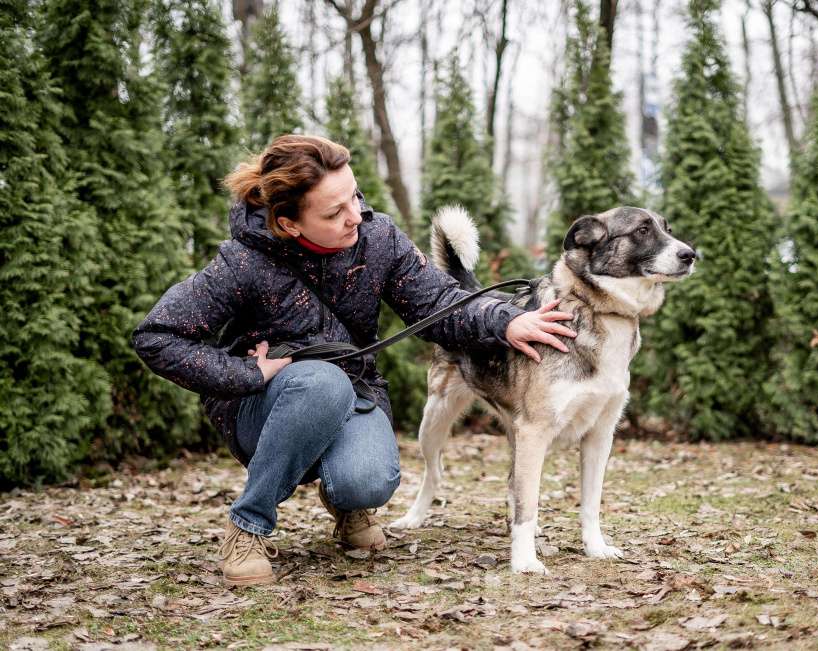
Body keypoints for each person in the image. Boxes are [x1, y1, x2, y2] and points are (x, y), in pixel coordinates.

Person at [132, 134, 576, 586]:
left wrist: (504, 321)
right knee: (320, 384)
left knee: (368, 481)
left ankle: (348, 505)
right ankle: (248, 525)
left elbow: (438, 303)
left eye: (355, 196)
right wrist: (244, 372)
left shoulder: (378, 237)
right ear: (289, 225)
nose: (356, 216)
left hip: (353, 391)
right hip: (264, 405)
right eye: (334, 212)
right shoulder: (242, 263)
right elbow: (156, 336)